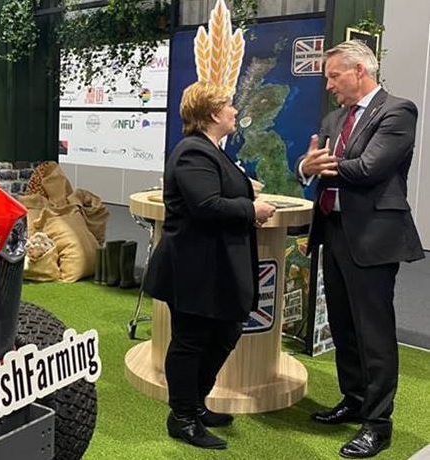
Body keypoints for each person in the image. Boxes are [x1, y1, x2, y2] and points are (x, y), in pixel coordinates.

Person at [296, 40, 425, 459]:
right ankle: (353, 400)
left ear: (359, 71)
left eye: (335, 75)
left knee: (374, 333)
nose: (330, 84)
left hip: (372, 237)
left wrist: (319, 168)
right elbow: (311, 159)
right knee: (343, 325)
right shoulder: (335, 117)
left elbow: (370, 168)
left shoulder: (398, 111)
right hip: (332, 232)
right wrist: (305, 166)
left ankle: (377, 423)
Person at [143, 81, 276, 450]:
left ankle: (196, 404)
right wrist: (252, 209)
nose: (235, 111)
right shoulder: (193, 152)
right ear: (214, 114)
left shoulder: (211, 151)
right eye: (229, 105)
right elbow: (205, 205)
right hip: (194, 268)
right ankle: (182, 417)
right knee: (191, 341)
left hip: (212, 266)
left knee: (224, 332)